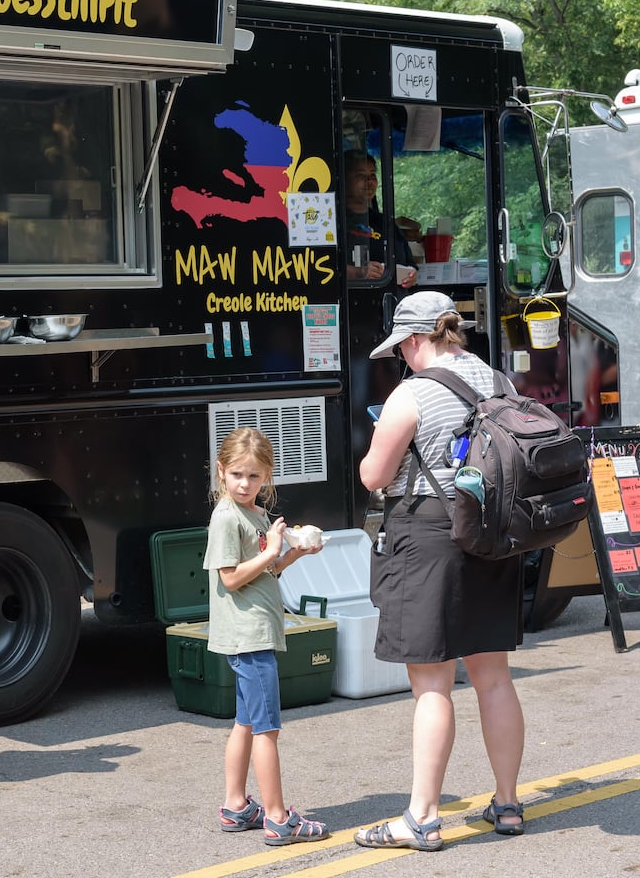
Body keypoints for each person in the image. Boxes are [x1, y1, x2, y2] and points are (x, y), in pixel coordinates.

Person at [354, 290, 525, 852]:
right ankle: (507, 803)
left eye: (401, 347)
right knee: (493, 678)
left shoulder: (414, 392)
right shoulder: (499, 381)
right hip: (492, 535)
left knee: (432, 684)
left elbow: (374, 477)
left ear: (413, 339)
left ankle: (422, 818)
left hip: (429, 534)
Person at [202, 427, 330, 846]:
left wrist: (292, 552)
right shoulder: (226, 517)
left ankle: (236, 806)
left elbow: (267, 573)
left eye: (254, 476)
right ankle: (278, 818)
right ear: (221, 471)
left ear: (267, 478)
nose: (244, 483)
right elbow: (232, 578)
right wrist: (271, 548)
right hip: (249, 636)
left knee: (246, 722)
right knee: (267, 729)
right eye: (237, 474)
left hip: (254, 633)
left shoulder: (254, 514)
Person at [342, 150, 417, 287]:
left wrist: (412, 275)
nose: (369, 181)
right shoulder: (331, 222)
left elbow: (410, 264)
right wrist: (356, 272)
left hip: (391, 302)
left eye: (372, 175)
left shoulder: (386, 223)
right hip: (351, 303)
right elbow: (316, 266)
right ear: (343, 179)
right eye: (360, 175)